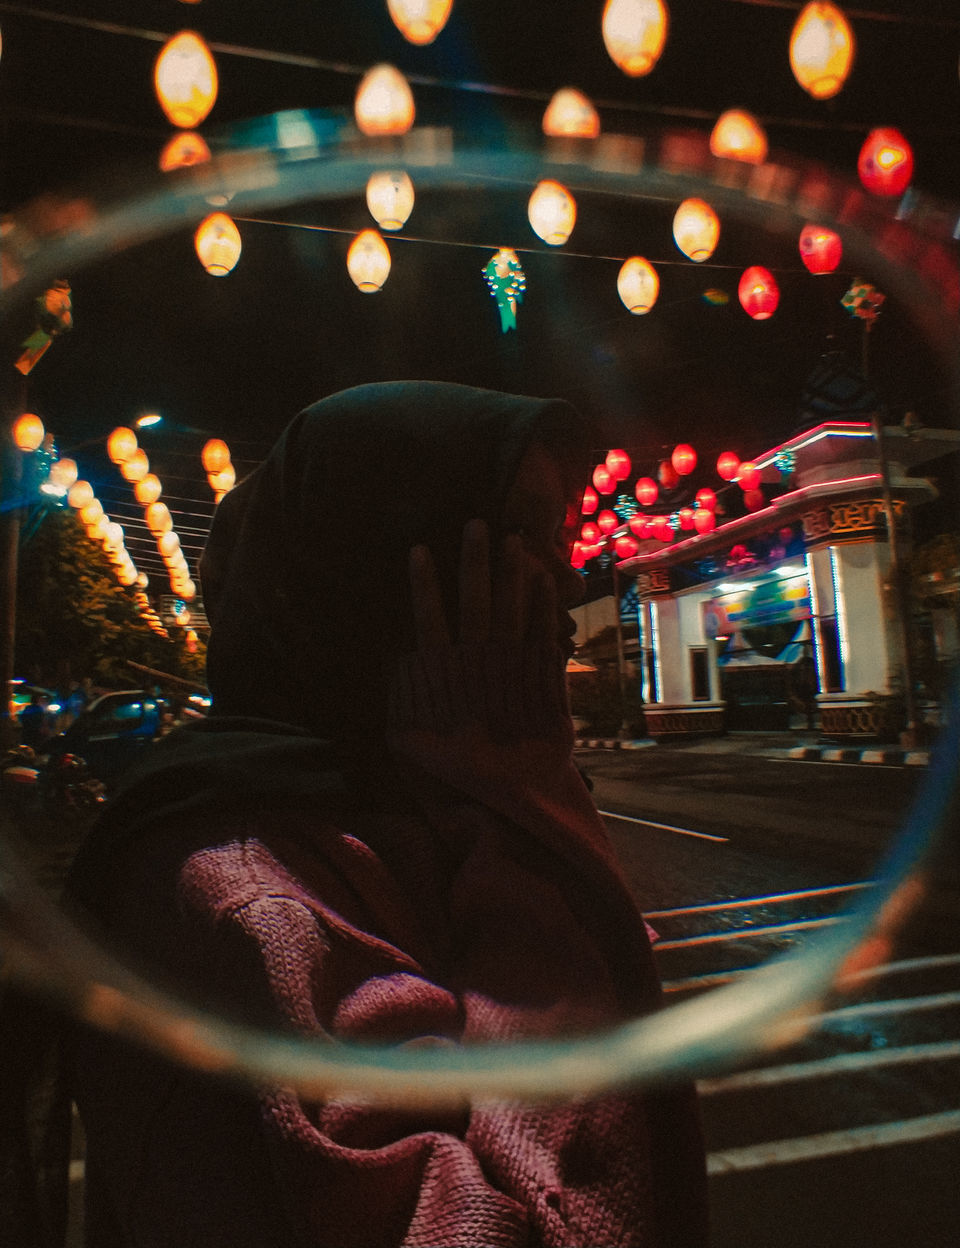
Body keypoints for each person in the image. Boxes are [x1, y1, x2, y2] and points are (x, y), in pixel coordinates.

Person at [65, 381, 708, 1247]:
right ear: (385, 561)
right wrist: (525, 800)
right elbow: (551, 1223)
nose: (558, 579)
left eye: (556, 537)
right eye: (516, 534)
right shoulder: (248, 897)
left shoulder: (404, 800)